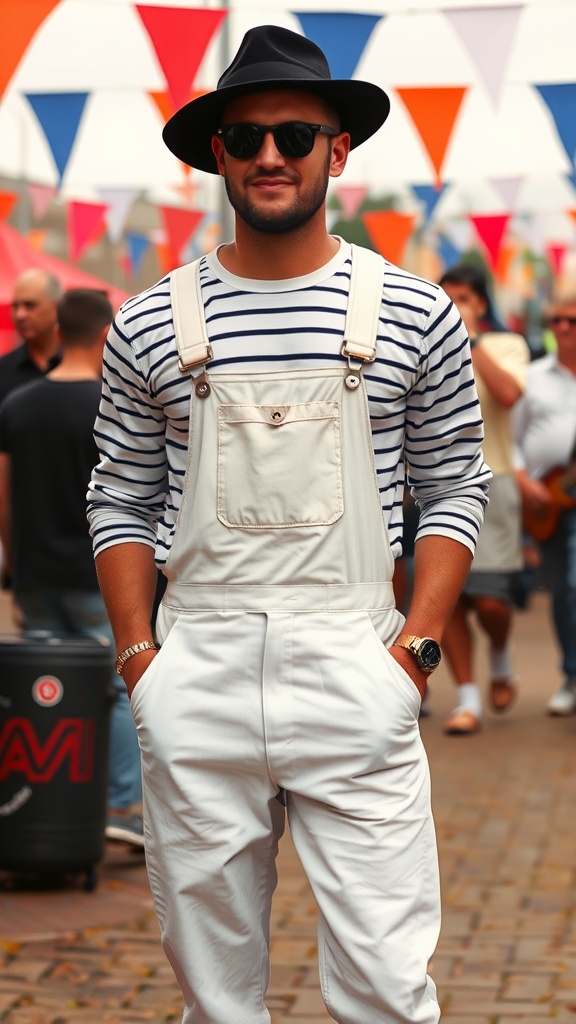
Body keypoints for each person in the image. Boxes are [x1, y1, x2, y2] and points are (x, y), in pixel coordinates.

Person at [87, 25, 490, 1024]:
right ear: (214, 152)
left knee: (389, 991)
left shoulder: (415, 312)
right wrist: (142, 659)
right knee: (215, 998)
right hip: (199, 666)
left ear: (338, 150)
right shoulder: (147, 322)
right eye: (247, 135)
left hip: (360, 659)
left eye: (297, 134)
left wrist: (416, 653)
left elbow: (454, 487)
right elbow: (120, 498)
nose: (272, 154)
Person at [0, 288, 144, 847]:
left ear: (58, 332)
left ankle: (46, 800)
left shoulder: (16, 406)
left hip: (37, 574)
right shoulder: (113, 408)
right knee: (117, 690)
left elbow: (5, 501)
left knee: (41, 694)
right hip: (100, 577)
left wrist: (15, 569)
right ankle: (120, 808)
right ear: (108, 335)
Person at [438, 264, 529, 735]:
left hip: (495, 482)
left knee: (491, 601)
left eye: (463, 298)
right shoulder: (426, 344)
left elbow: (509, 394)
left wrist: (469, 338)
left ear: (480, 302)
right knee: (446, 598)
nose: (453, 306)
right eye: (446, 297)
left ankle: (500, 654)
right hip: (433, 486)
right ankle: (467, 700)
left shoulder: (505, 344)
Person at [514, 292, 576, 716]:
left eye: (573, 321)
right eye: (558, 321)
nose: (564, 329)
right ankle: (571, 674)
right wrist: (522, 480)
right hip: (546, 504)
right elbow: (509, 438)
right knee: (561, 593)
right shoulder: (532, 376)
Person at [0, 269, 62, 407]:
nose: (20, 314)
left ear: (56, 307)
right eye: (15, 306)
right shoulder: (3, 370)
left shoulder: (79, 367)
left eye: (30, 305)